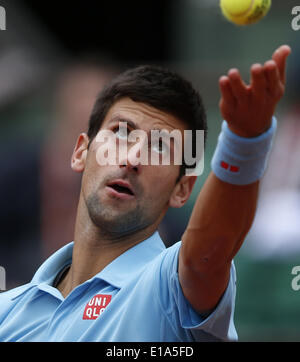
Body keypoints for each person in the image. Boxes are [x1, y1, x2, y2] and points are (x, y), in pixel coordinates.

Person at [0, 45, 291, 342]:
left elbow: (207, 255)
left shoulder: (170, 289)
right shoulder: (6, 312)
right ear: (80, 152)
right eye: (122, 132)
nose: (133, 159)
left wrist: (245, 142)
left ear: (182, 190)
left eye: (161, 147)